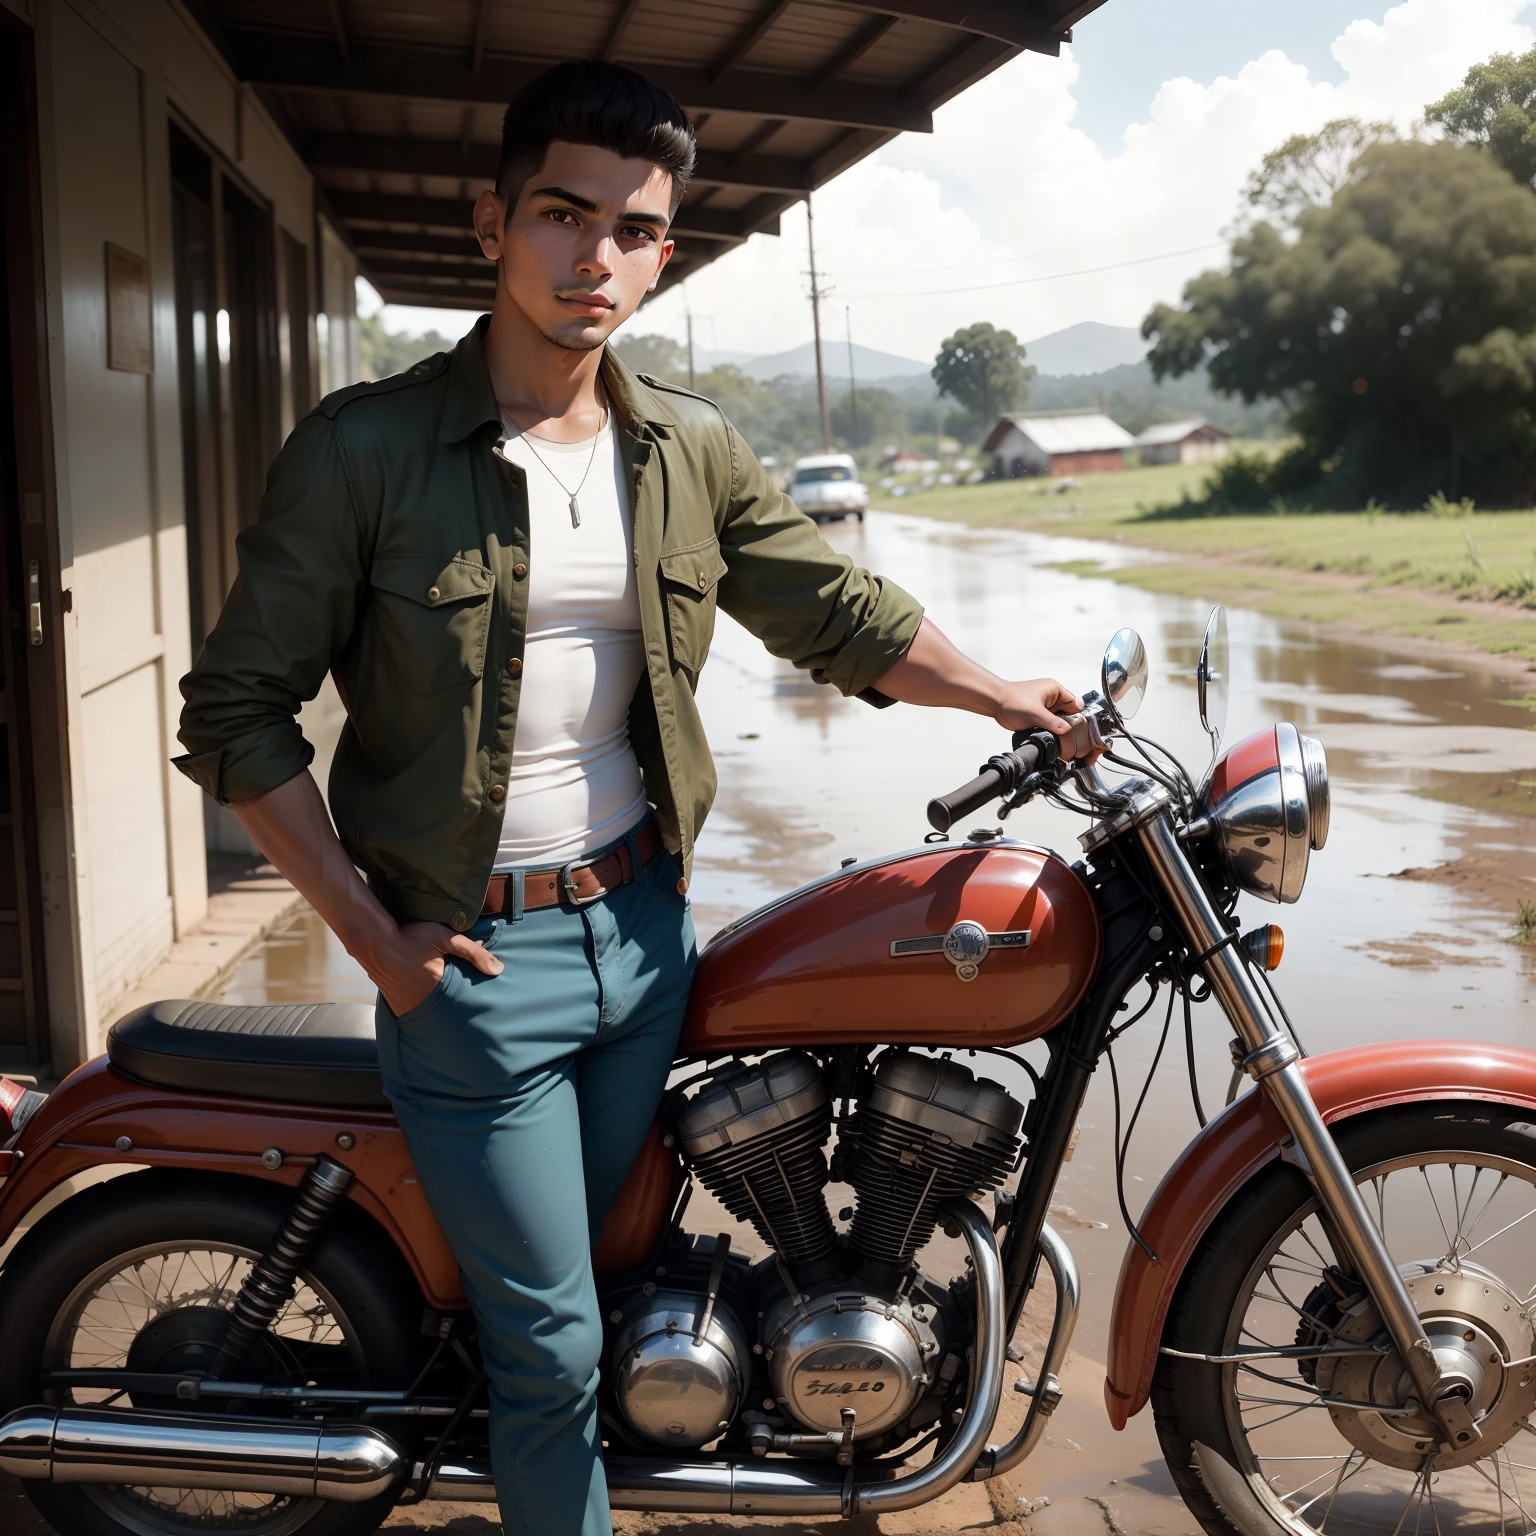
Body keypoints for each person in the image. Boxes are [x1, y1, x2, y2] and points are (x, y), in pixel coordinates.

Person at [175, 59, 1091, 1536]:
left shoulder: (687, 445)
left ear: (665, 251)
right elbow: (232, 714)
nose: (593, 256)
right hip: (472, 967)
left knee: (602, 1288)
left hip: (646, 937)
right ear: (493, 223)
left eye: (633, 229)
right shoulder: (367, 452)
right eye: (561, 213)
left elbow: (837, 608)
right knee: (553, 1351)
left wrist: (999, 692)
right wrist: (372, 939)